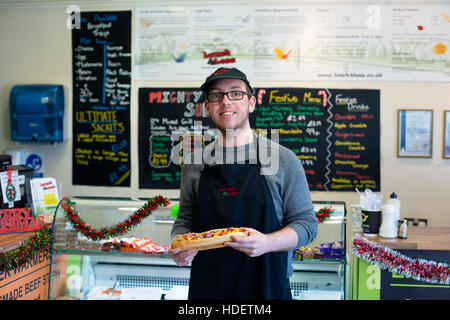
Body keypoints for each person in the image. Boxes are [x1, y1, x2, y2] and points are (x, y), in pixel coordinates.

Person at [169, 67, 317, 300]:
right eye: (216, 95)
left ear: (251, 103)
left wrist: (267, 243)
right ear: (207, 107)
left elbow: (307, 224)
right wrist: (179, 247)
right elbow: (185, 220)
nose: (225, 102)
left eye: (235, 93)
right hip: (209, 287)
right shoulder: (194, 163)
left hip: (267, 286)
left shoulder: (282, 159)